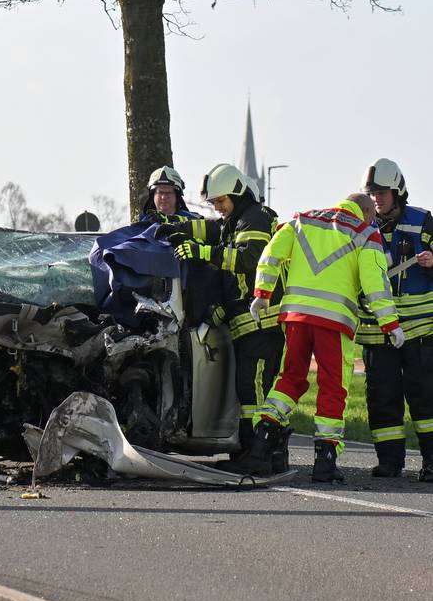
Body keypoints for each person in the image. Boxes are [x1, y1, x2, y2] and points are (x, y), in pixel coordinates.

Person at [234, 193, 401, 483]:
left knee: (290, 379)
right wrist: (390, 323)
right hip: (334, 323)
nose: (375, 221)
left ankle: (261, 445)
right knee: (332, 387)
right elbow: (376, 283)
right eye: (372, 215)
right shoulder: (365, 233)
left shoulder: (302, 220)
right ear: (364, 210)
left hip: (296, 317)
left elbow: (271, 253)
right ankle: (324, 462)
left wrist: (262, 293)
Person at [157, 164, 285, 462]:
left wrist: (202, 253)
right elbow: (208, 228)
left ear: (237, 195)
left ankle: (262, 455)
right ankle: (252, 453)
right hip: (248, 323)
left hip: (263, 324)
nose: (218, 208)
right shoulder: (235, 220)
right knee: (249, 390)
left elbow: (248, 259)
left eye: (220, 202)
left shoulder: (254, 218)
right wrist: (172, 225)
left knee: (255, 391)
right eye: (214, 204)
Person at [357, 158, 433, 480]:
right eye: (372, 193)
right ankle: (390, 462)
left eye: (383, 193)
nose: (377, 199)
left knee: (426, 397)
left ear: (398, 191)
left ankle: (431, 462)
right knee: (382, 398)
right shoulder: (361, 228)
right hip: (377, 332)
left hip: (419, 331)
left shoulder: (423, 221)